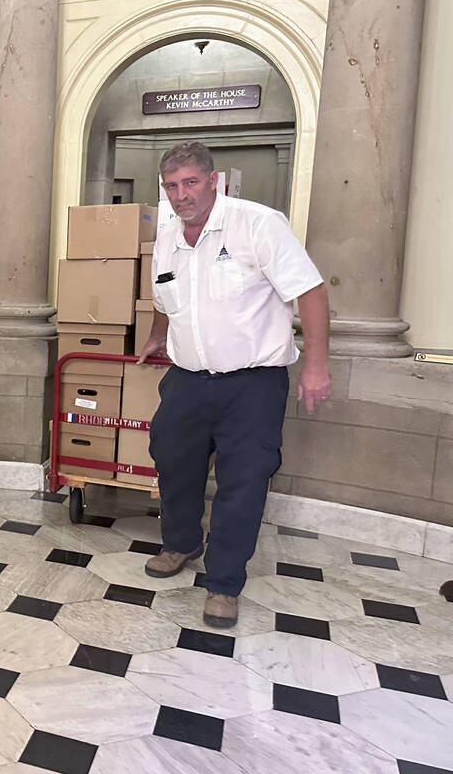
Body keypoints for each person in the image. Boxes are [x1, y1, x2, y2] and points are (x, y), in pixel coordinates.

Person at [136, 142, 331, 628]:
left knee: (242, 483)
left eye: (191, 182)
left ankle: (223, 584)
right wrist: (159, 335)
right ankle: (181, 543)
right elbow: (165, 293)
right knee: (172, 462)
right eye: (173, 186)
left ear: (214, 180)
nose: (183, 195)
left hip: (252, 384)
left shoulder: (258, 223)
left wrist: (316, 365)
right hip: (186, 380)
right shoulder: (168, 236)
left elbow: (310, 290)